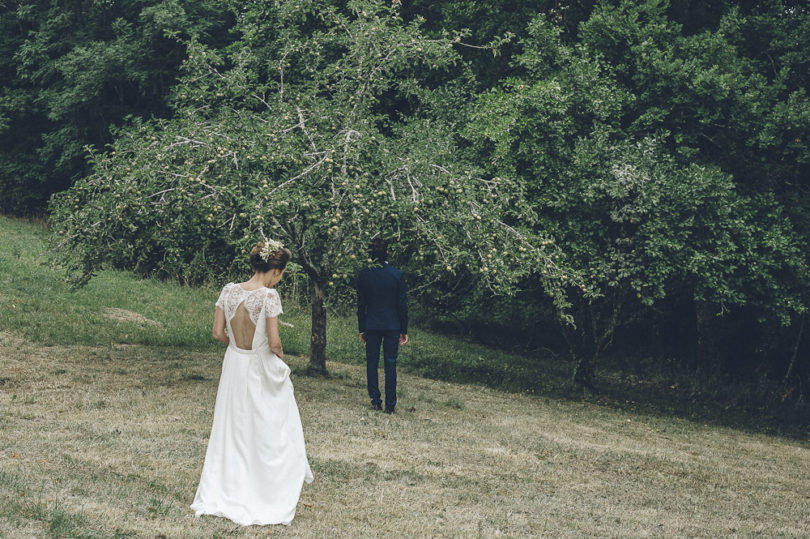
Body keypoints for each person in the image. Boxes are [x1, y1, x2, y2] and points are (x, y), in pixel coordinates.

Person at [191, 239, 313, 526]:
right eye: (281, 275)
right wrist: (279, 355)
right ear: (276, 271)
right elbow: (273, 341)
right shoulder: (269, 297)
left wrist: (237, 348)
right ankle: (263, 485)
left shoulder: (228, 291)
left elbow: (217, 333)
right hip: (257, 366)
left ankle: (228, 484)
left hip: (234, 364)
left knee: (232, 425)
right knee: (266, 424)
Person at [357, 238, 408, 414]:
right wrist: (404, 329)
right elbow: (402, 304)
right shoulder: (397, 275)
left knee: (372, 363)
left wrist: (362, 328)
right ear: (387, 252)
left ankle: (375, 400)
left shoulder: (365, 274)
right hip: (392, 325)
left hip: (371, 324)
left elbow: (361, 304)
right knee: (390, 364)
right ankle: (390, 404)